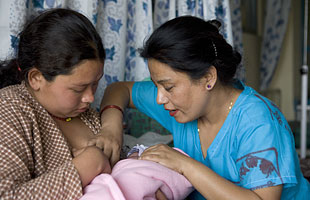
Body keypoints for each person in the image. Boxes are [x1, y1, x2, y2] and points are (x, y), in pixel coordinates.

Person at [100, 16, 310, 199]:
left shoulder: (258, 123)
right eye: (156, 86)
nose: (159, 99)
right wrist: (111, 127)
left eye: (168, 87)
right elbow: (119, 90)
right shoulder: (178, 107)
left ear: (208, 78)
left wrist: (184, 165)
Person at [0, 8, 113, 199]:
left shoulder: (87, 115)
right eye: (78, 89)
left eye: (95, 83)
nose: (90, 97)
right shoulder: (9, 111)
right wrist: (86, 166)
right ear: (36, 78)